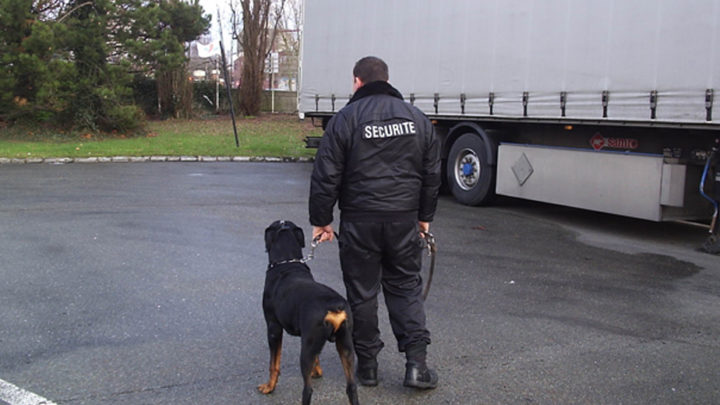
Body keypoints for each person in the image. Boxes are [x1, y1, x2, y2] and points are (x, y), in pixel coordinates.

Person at [309, 56, 441, 389]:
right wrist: (424, 218)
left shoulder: (344, 120)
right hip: (403, 221)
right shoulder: (417, 120)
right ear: (386, 80)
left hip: (359, 222)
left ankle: (367, 367)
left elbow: (326, 176)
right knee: (405, 288)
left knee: (363, 294)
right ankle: (416, 366)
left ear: (357, 81)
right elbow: (431, 175)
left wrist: (321, 221)